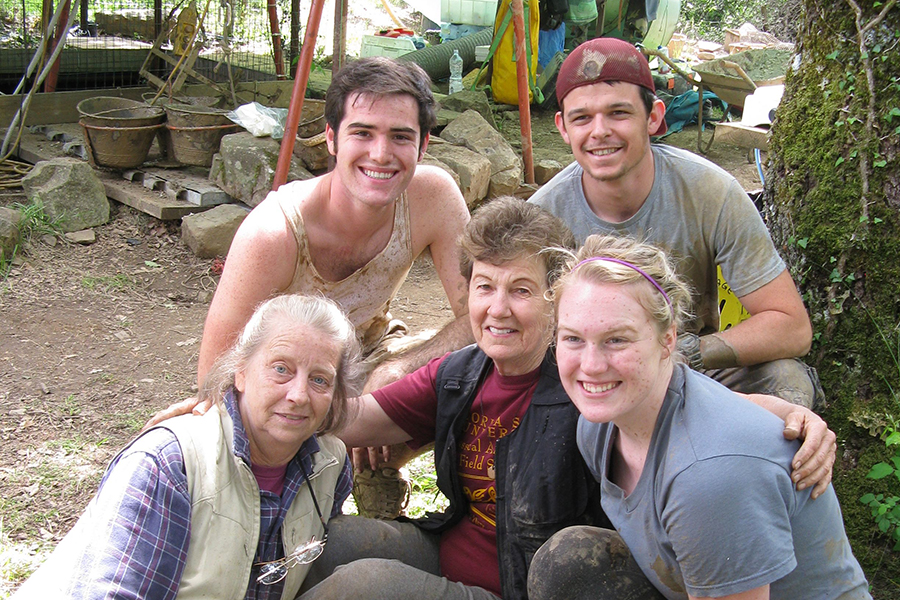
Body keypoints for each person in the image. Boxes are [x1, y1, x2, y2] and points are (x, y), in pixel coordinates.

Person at [293, 198, 834, 600]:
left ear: (552, 302)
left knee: (361, 586)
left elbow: (685, 404)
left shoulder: (590, 392)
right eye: (484, 287)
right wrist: (278, 396)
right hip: (455, 549)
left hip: (528, 581)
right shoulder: (468, 372)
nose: (498, 308)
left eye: (521, 290)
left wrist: (790, 417)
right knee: (324, 551)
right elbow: (361, 418)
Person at [149, 56, 473, 519]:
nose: (381, 154)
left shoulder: (433, 196)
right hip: (292, 374)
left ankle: (384, 464)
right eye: (363, 132)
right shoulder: (275, 232)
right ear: (331, 138)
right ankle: (311, 492)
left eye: (400, 136)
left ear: (423, 145)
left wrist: (401, 370)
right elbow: (218, 376)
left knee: (491, 363)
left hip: (369, 351)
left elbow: (481, 314)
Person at [527, 234, 870, 600]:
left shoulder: (707, 477)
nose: (591, 366)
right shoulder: (600, 425)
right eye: (573, 339)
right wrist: (783, 408)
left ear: (668, 340)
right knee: (568, 564)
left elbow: (714, 448)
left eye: (617, 340)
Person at [528, 37, 820, 409]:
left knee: (786, 379)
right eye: (582, 117)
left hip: (688, 368)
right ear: (563, 127)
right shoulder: (542, 217)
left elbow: (791, 326)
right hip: (589, 375)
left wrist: (691, 352)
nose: (599, 131)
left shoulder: (710, 192)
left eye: (618, 113)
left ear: (653, 117)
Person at [13, 294, 363, 600]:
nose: (299, 395)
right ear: (240, 372)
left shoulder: (327, 465)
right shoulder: (169, 464)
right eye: (281, 369)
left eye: (319, 379)